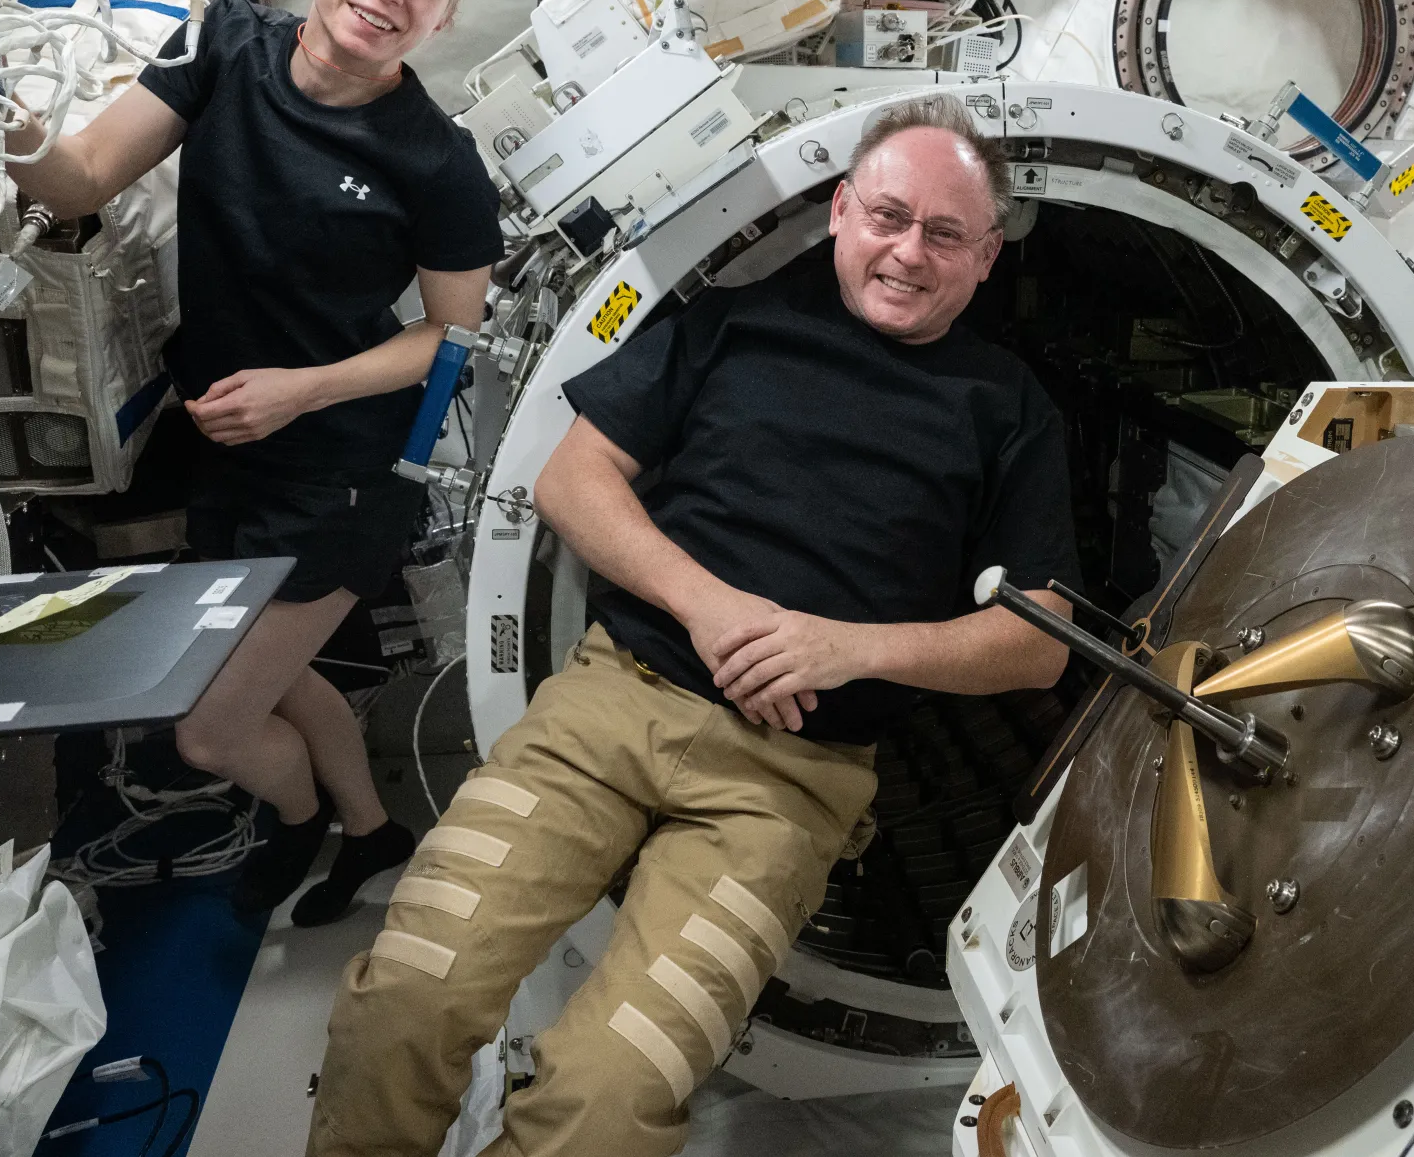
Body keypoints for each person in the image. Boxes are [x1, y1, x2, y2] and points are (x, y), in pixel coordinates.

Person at [307, 94, 1081, 1155]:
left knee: (610, 1096)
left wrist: (841, 646)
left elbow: (1040, 635)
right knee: (405, 1000)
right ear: (842, 209)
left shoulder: (1008, 408)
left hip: (782, 789)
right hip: (608, 711)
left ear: (986, 256)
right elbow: (572, 480)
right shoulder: (734, 321)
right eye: (888, 216)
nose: (908, 252)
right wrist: (718, 611)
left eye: (944, 233)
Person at [5, 0, 504, 926]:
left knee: (212, 727)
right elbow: (85, 175)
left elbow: (452, 338)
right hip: (232, 440)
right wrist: (3, 127)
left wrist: (301, 389)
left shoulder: (434, 159)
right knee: (273, 676)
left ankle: (295, 823)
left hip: (343, 468)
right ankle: (372, 831)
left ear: (443, 13)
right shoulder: (223, 42)